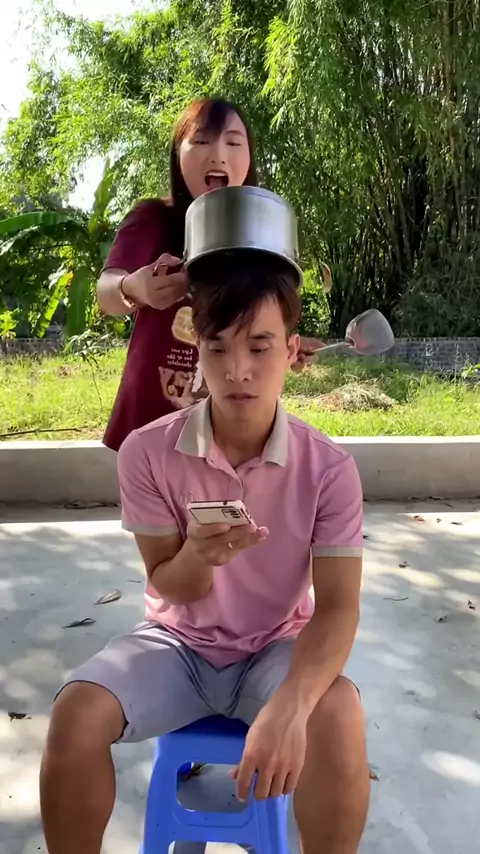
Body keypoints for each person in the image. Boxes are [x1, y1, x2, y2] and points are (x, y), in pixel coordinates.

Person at [40, 253, 369, 854]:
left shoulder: (328, 469)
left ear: (291, 351)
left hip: (274, 648)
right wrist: (198, 557)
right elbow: (169, 585)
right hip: (178, 646)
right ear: (198, 349)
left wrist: (292, 705)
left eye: (260, 347)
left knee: (339, 715)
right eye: (218, 348)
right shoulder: (147, 453)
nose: (238, 370)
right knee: (75, 715)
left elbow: (339, 608)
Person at [96, 96, 325, 451]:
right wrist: (134, 287)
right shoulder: (152, 219)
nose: (218, 155)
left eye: (233, 143)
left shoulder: (260, 230)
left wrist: (279, 346)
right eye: (201, 141)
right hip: (152, 425)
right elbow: (106, 292)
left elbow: (265, 313)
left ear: (249, 159)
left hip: (230, 429)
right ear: (178, 154)